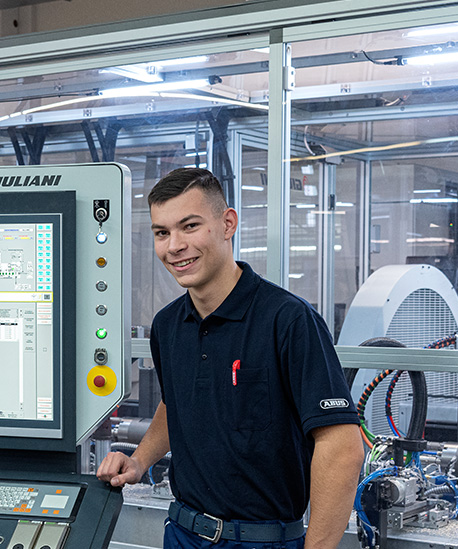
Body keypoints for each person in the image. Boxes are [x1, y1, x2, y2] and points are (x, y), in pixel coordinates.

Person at [97, 168, 364, 549]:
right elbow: (176, 404)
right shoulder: (168, 325)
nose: (174, 246)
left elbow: (342, 449)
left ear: (228, 224)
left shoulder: (288, 320)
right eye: (162, 232)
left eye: (190, 226)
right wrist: (140, 460)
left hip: (262, 541)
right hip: (182, 534)